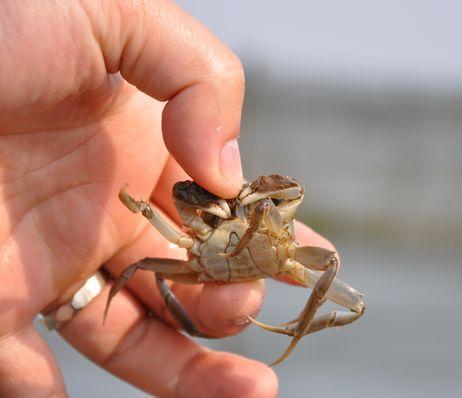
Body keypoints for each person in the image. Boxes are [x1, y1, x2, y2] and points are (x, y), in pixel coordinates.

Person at [0, 2, 335, 397]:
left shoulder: (263, 210)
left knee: (336, 277)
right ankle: (160, 319)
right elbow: (151, 257)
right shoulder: (191, 230)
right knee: (151, 269)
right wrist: (139, 206)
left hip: (259, 251)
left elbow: (287, 199)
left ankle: (292, 333)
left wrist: (254, 200)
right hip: (203, 260)